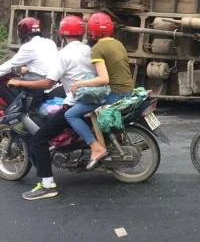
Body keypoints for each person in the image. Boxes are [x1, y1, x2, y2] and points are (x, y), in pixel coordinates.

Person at [8, 15, 95, 200]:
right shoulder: (88, 49)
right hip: (92, 99)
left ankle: (47, 185)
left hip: (76, 102)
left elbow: (47, 83)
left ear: (62, 33)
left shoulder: (63, 54)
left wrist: (20, 83)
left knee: (39, 139)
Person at [65, 12, 134, 170]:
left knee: (71, 114)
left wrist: (80, 84)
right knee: (89, 110)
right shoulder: (118, 43)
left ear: (91, 31)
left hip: (115, 94)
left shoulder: (98, 49)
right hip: (127, 91)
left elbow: (104, 79)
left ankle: (97, 148)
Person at [0, 17, 58, 105]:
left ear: (22, 33)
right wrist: (19, 70)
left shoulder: (29, 47)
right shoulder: (50, 43)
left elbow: (9, 65)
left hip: (37, 83)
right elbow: (35, 66)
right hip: (51, 82)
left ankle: (15, 110)